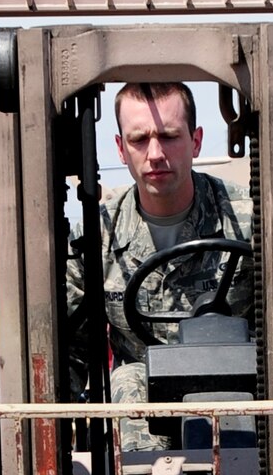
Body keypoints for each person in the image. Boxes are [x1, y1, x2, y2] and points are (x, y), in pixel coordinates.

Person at [65, 81, 252, 436]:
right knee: (127, 379)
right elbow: (71, 351)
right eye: (139, 140)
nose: (154, 153)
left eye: (168, 136)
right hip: (143, 397)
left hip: (240, 384)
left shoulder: (250, 221)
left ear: (195, 141)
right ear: (121, 149)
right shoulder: (95, 234)